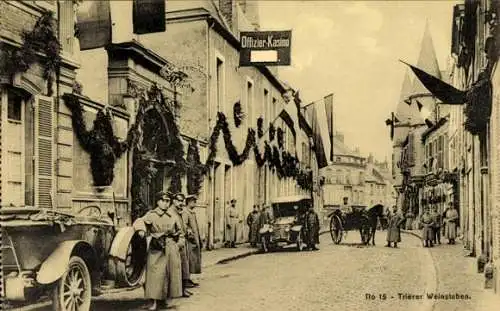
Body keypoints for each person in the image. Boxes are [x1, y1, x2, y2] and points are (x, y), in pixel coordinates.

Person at [133, 191, 183, 311]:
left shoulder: (173, 216)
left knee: (168, 274)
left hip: (171, 247)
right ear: (158, 201)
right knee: (154, 275)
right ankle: (153, 301)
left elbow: (181, 232)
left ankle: (163, 300)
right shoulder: (151, 215)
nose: (166, 204)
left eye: (168, 201)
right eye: (163, 201)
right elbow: (139, 222)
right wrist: (141, 230)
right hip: (157, 247)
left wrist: (179, 244)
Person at [170, 192, 192, 298]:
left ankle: (183, 289)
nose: (181, 203)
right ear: (173, 201)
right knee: (175, 268)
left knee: (184, 267)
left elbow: (183, 225)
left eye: (182, 201)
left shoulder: (181, 212)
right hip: (175, 243)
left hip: (182, 242)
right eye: (178, 201)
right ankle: (175, 291)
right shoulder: (170, 212)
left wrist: (188, 230)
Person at [183, 194, 202, 287]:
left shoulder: (192, 212)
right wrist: (189, 233)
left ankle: (189, 278)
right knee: (189, 260)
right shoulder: (185, 212)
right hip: (189, 241)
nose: (195, 203)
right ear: (188, 202)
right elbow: (184, 225)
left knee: (193, 260)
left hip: (194, 239)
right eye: (193, 201)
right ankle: (186, 280)